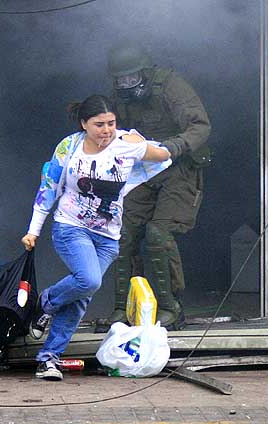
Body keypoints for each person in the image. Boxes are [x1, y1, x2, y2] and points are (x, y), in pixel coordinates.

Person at [21, 94, 171, 381]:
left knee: (80, 297)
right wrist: (33, 230)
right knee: (89, 280)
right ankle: (46, 303)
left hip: (108, 237)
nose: (106, 130)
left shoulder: (126, 144)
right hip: (70, 227)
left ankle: (48, 359)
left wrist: (139, 140)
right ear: (84, 124)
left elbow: (164, 156)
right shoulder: (69, 147)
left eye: (111, 123)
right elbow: (48, 187)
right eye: (99, 124)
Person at [94, 43, 211, 333]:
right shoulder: (119, 99)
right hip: (143, 171)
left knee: (159, 233)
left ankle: (171, 308)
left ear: (145, 73)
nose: (126, 85)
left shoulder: (171, 86)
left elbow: (200, 126)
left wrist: (173, 147)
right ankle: (124, 307)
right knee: (121, 233)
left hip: (178, 167)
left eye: (132, 78)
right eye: (120, 80)